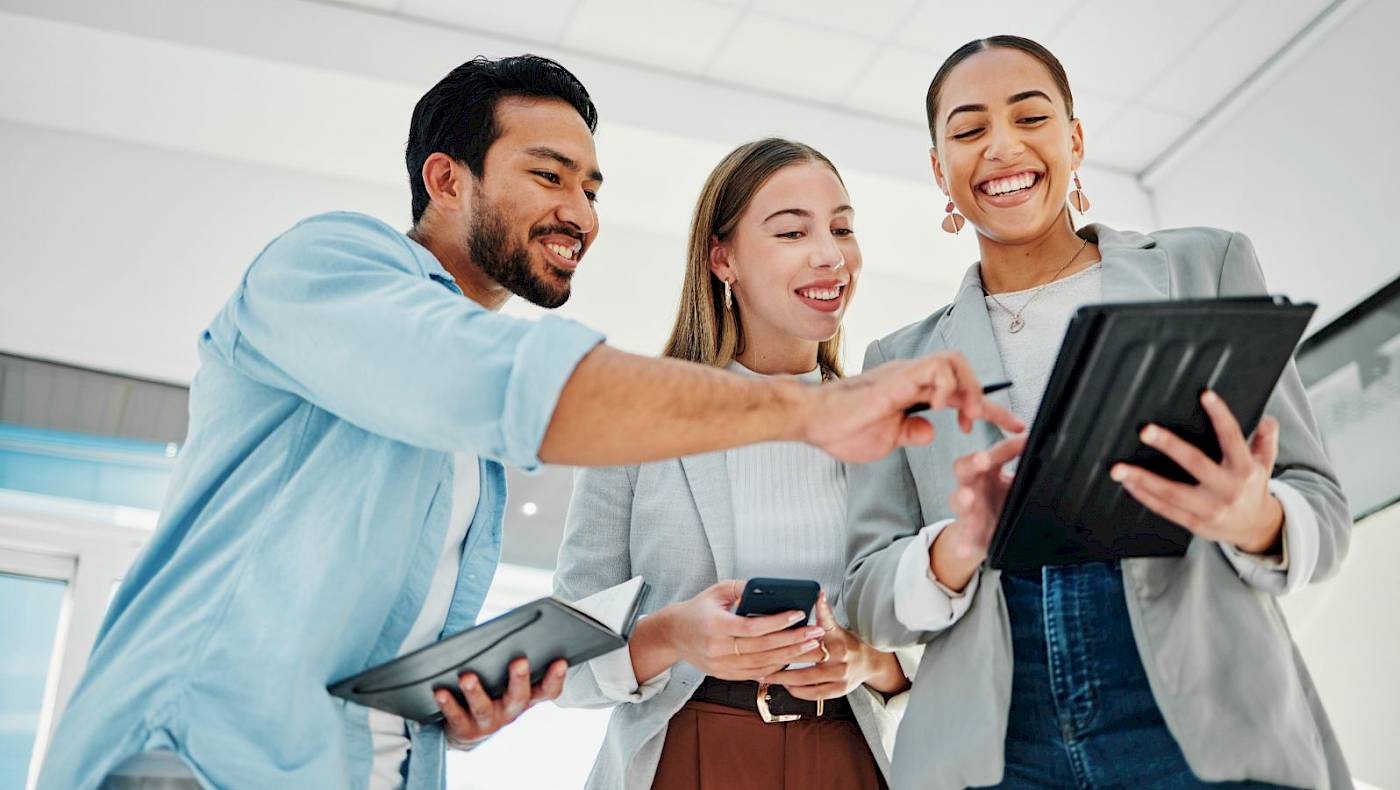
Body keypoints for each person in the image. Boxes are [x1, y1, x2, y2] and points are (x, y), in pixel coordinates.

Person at [36, 56, 1012, 790]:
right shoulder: (328, 266)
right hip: (192, 758)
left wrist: (474, 697)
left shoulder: (459, 453)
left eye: (590, 188)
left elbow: (377, 643)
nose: (578, 211)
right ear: (445, 177)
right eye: (548, 176)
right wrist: (809, 409)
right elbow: (520, 387)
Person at [842, 36, 1352, 790]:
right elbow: (865, 596)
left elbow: (1323, 510)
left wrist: (1255, 519)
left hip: (1201, 715)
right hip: (1002, 745)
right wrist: (958, 545)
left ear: (1074, 140)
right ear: (938, 167)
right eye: (970, 128)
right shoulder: (897, 362)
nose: (1003, 147)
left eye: (1031, 117)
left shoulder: (1203, 268)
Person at [554, 138, 944, 790]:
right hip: (686, 754)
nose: (830, 254)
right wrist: (674, 636)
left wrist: (867, 662)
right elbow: (564, 663)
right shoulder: (636, 418)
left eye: (842, 228)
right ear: (722, 257)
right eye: (793, 230)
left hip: (851, 757)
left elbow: (947, 645)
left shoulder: (889, 427)